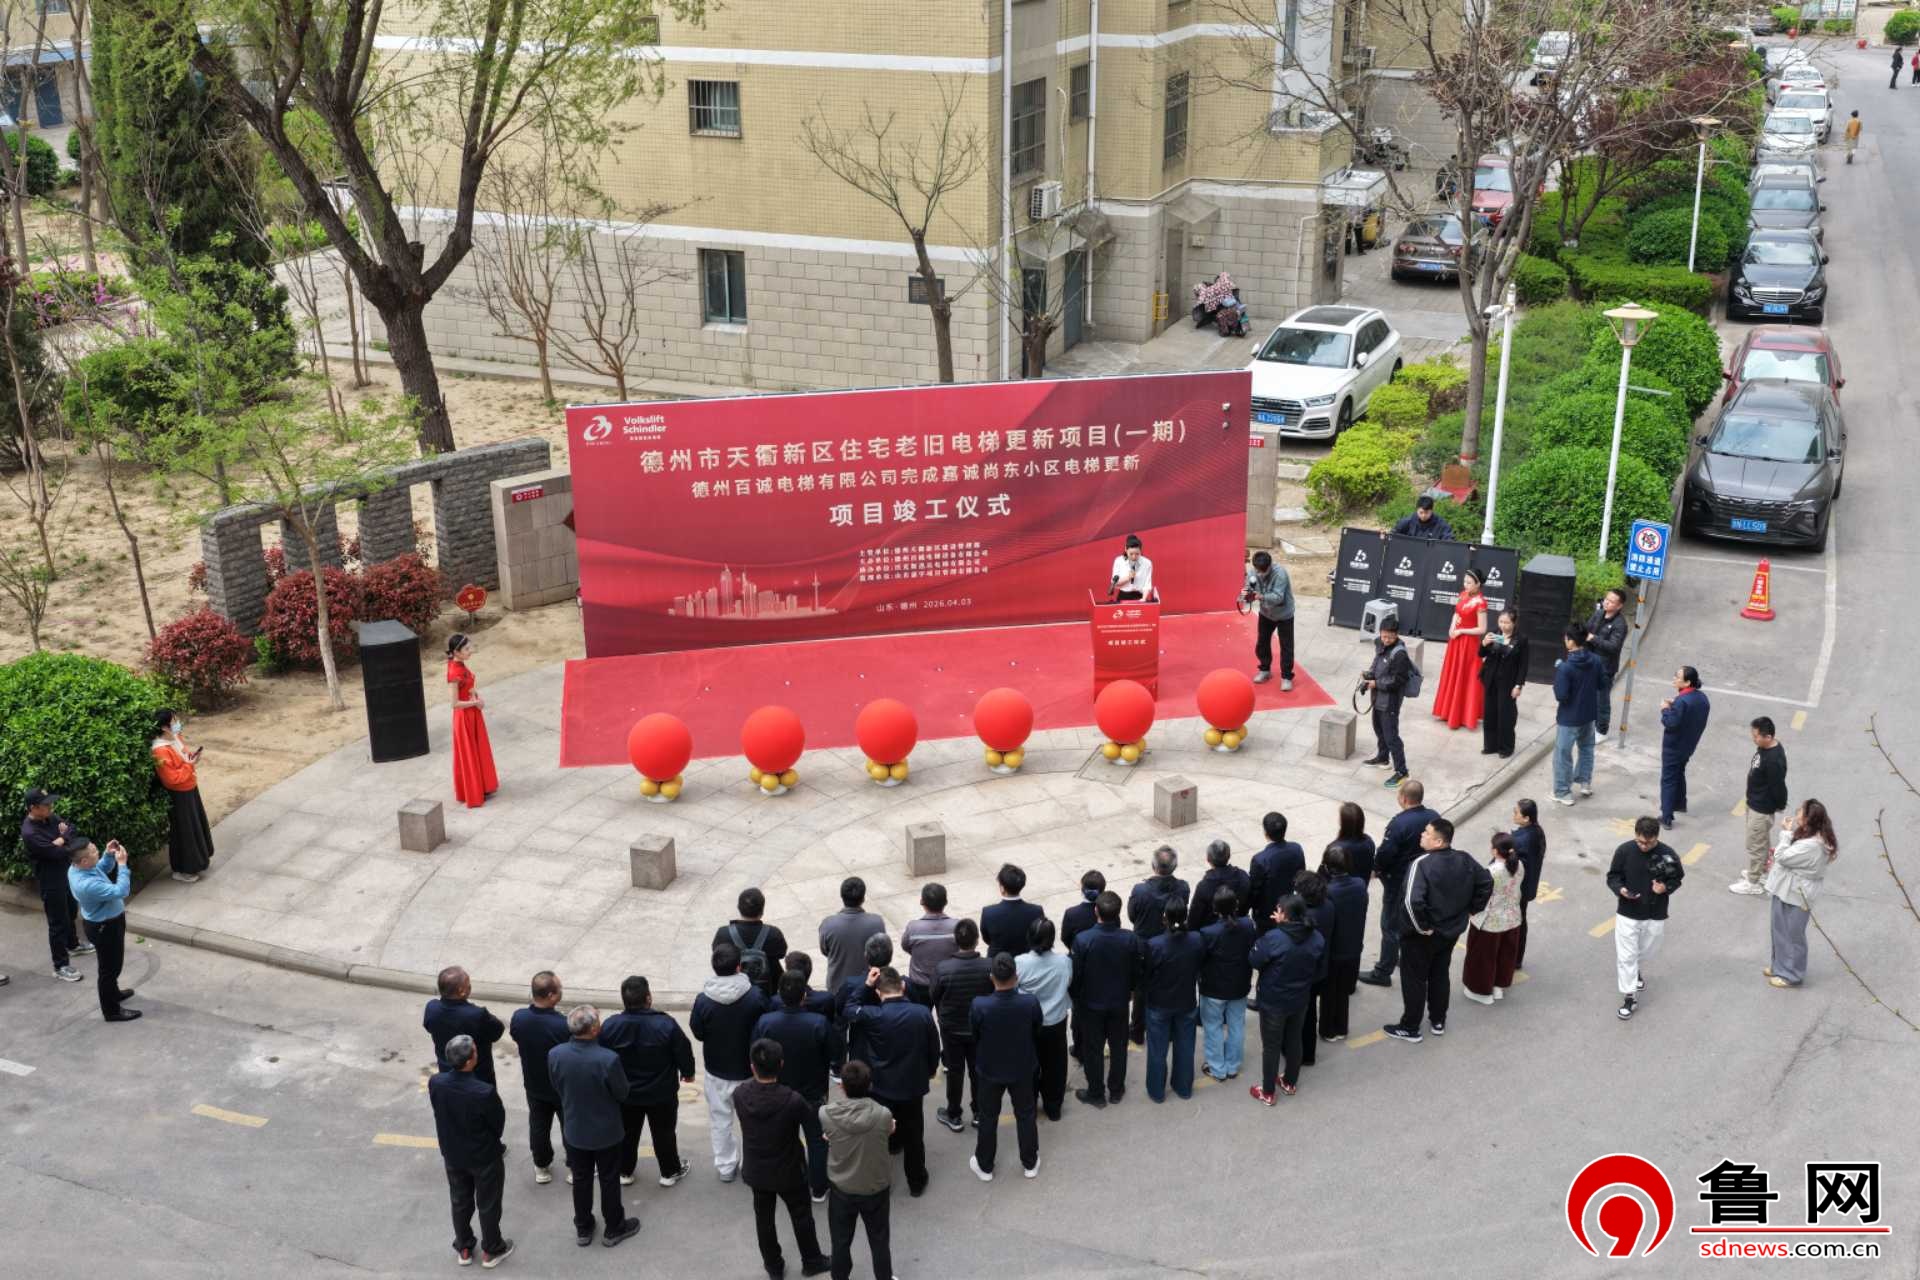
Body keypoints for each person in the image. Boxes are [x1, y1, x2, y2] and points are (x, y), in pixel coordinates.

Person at [1383, 818, 1492, 1043]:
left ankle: (1410, 1027)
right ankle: (1438, 1020)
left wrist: (1422, 927)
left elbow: (1412, 902)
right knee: (1440, 974)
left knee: (1414, 979)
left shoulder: (1421, 864)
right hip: (1450, 932)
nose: (1422, 835)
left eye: (1427, 833)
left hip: (1422, 936)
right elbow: (1486, 882)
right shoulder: (1464, 859)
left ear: (1439, 841)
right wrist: (1472, 910)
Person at [735, 1039, 832, 1278]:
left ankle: (774, 1266)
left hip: (757, 1169)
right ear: (781, 1064)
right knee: (801, 1216)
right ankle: (812, 1260)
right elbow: (812, 1125)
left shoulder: (740, 1094)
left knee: (764, 1219)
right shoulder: (793, 1100)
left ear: (752, 1066)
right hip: (789, 1169)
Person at [841, 965, 940, 1198]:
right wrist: (930, 1070)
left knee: (881, 1132)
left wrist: (866, 985)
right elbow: (933, 1047)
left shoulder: (873, 1015)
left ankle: (881, 1177)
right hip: (912, 1085)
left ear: (878, 993)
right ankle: (916, 1181)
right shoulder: (921, 1013)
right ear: (903, 986)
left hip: (882, 1085)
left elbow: (849, 1008)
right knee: (914, 1135)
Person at [546, 1005, 640, 1248]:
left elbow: (556, 1085)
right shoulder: (608, 1059)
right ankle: (614, 1227)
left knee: (581, 1178)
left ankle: (583, 1226)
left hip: (575, 1128)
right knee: (609, 1179)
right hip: (606, 1131)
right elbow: (622, 1093)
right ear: (595, 1029)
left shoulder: (556, 1054)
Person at [599, 976, 695, 1189]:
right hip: (661, 1092)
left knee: (626, 1133)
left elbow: (601, 1056)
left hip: (625, 1093)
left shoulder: (611, 1025)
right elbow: (683, 1050)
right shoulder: (666, 1024)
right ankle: (669, 1172)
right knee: (664, 1133)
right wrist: (688, 1073)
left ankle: (624, 1171)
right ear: (648, 998)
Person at [428, 1034, 513, 1269]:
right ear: (469, 1061)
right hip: (483, 1156)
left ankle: (464, 1246)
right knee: (488, 1203)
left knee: (460, 1200)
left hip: (453, 1153)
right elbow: (497, 1124)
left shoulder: (436, 1083)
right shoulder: (483, 1092)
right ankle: (492, 1248)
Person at [692, 942, 771, 1183]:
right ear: (739, 967)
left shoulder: (703, 1000)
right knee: (754, 1122)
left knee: (720, 1121)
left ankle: (726, 1167)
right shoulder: (755, 996)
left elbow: (698, 1032)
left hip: (717, 1071)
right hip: (749, 1070)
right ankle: (755, 1165)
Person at [755, 969, 836, 1202]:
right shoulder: (818, 1023)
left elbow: (755, 1052)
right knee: (817, 1140)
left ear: (780, 994)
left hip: (777, 1092)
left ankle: (787, 1180)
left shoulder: (766, 1022)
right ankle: (818, 1188)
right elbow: (836, 1054)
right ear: (804, 996)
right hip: (813, 1093)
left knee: (782, 1139)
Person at [968, 952, 1043, 1181]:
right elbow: (1037, 1028)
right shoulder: (1029, 1002)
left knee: (988, 1116)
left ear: (992, 977)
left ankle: (985, 1165)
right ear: (1016, 976)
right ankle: (1030, 1162)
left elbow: (975, 1034)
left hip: (990, 1069)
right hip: (1022, 1067)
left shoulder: (980, 1005)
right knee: (1026, 1114)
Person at [819, 1061, 895, 1280]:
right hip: (875, 1187)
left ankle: (840, 1276)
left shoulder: (826, 1114)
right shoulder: (883, 1114)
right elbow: (888, 1130)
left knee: (840, 1241)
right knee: (879, 1240)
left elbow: (829, 1135)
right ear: (869, 1085)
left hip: (842, 1189)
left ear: (842, 1086)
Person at [1360, 779, 1439, 986]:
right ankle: (1403, 957)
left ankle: (1383, 971)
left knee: (1390, 925)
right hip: (1423, 878)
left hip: (1398, 882)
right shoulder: (1433, 817)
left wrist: (1376, 869)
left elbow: (1386, 853)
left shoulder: (1399, 823)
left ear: (1404, 798)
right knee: (1411, 920)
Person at [1247, 894, 1325, 1103]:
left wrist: (1277, 929)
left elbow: (1254, 959)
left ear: (1285, 915)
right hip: (1300, 998)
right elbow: (1319, 968)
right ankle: (1290, 1081)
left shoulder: (1274, 938)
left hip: (1274, 1001)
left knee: (1271, 1046)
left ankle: (1268, 1092)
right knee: (1294, 1039)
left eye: (1279, 909)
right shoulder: (1316, 937)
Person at [1607, 817, 1685, 1020]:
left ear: (1656, 838)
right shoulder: (1624, 851)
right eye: (1640, 842)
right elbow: (1613, 876)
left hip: (1655, 913)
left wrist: (1665, 888)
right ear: (1635, 835)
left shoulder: (1668, 855)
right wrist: (1620, 889)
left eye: (1648, 843)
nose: (1643, 846)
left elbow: (1677, 878)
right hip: (1627, 912)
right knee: (1626, 956)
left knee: (1648, 950)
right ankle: (1630, 997)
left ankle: (1635, 971)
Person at [1069, 890, 1141, 1108]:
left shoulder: (1083, 940)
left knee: (1093, 1049)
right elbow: (1136, 972)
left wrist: (1077, 998)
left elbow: (1076, 976)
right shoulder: (1129, 939)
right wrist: (1130, 991)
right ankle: (1116, 1090)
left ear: (1096, 911)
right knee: (1118, 1048)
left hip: (1091, 1005)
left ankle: (1096, 1093)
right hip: (1119, 1003)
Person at [1765, 800, 1837, 989]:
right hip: (1787, 889)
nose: (1797, 814)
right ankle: (1779, 966)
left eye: (1800, 812)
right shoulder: (1811, 834)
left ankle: (1791, 974)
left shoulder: (1813, 845)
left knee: (1792, 935)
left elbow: (1782, 856)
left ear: (1808, 819)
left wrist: (1785, 835)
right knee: (1779, 930)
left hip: (1797, 894)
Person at [929, 918, 993, 1133]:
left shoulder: (943, 968)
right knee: (977, 1071)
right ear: (977, 939)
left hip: (952, 1029)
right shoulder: (989, 966)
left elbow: (934, 994)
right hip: (978, 1028)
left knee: (955, 1072)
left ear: (956, 941)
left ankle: (954, 1114)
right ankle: (979, 1112)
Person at [20, 789, 90, 983]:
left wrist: (61, 839)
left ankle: (73, 945)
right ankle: (60, 966)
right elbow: (56, 853)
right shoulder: (30, 832)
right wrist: (63, 839)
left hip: (65, 874)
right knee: (57, 922)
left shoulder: (49, 817)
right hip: (50, 880)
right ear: (33, 808)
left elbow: (71, 829)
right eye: (46, 804)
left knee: (71, 910)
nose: (51, 807)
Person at [508, 971, 571, 1184]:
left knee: (538, 1125)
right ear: (551, 995)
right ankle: (574, 1165)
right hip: (561, 1086)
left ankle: (541, 1166)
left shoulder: (519, 1018)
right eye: (559, 989)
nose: (561, 991)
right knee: (569, 1125)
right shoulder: (563, 1025)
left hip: (534, 1084)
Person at [66, 838, 138, 1022]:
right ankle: (111, 1011)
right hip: (105, 927)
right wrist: (122, 865)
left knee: (113, 965)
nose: (96, 851)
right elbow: (121, 890)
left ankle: (114, 993)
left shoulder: (77, 867)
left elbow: (101, 868)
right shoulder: (86, 885)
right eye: (93, 851)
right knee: (109, 970)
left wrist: (108, 855)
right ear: (84, 861)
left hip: (108, 922)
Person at [1141, 899, 1205, 1102]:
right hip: (1186, 1001)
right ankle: (1183, 1088)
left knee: (1157, 1051)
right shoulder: (1196, 940)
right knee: (1185, 1047)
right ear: (1185, 916)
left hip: (1159, 1004)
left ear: (1164, 918)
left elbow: (1146, 974)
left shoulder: (1154, 945)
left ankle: (1156, 1091)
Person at [1127, 846, 1190, 1042]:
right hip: (1171, 943)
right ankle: (1168, 1030)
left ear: (1153, 866)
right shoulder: (1182, 888)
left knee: (1141, 990)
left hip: (1145, 946)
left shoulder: (1140, 890)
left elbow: (1132, 915)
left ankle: (1137, 1031)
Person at [1015, 917, 1072, 1120]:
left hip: (1029, 1023)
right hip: (1056, 1022)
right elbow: (1068, 983)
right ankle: (1053, 1106)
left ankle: (1029, 1104)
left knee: (1029, 1065)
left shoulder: (1020, 963)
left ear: (1029, 937)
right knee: (1055, 1066)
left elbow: (1013, 989)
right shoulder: (1064, 962)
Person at [1197, 888, 1256, 1079]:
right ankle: (1232, 1065)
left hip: (1213, 989)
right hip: (1239, 986)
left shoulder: (1208, 933)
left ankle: (1217, 1068)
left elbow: (1201, 959)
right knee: (1236, 1025)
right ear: (1236, 905)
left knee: (1213, 1027)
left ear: (1215, 909)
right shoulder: (1248, 925)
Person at [151, 709, 213, 883]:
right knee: (184, 831)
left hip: (190, 787)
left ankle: (198, 861)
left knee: (194, 826)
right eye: (174, 721)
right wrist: (189, 765)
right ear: (164, 727)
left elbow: (184, 757)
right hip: (179, 794)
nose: (177, 723)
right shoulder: (159, 750)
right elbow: (171, 779)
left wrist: (191, 758)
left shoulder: (175, 737)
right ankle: (183, 869)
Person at [1461, 833, 1524, 1005]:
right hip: (1512, 918)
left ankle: (1481, 992)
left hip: (1490, 921)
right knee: (1504, 955)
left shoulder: (1491, 872)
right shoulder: (1519, 865)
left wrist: (1470, 911)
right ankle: (1498, 987)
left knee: (1482, 957)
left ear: (1495, 851)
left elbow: (1480, 896)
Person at [1733, 717, 1789, 897]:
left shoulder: (1773, 760)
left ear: (1768, 737)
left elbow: (1778, 786)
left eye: (1756, 736)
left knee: (1755, 844)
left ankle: (1753, 882)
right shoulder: (1765, 748)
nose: (1753, 738)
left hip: (1761, 808)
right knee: (1761, 841)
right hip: (1754, 802)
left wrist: (1779, 804)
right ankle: (1763, 872)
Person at [1317, 846, 1367, 1041]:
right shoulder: (1359, 884)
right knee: (1343, 992)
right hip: (1353, 946)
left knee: (1330, 992)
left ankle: (1328, 1030)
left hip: (1334, 949)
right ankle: (1341, 1027)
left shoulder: (1329, 891)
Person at [1551, 624, 1604, 807]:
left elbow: (1561, 695)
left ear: (1571, 642)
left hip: (1569, 718)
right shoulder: (1596, 660)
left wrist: (1559, 674)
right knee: (1587, 748)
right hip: (1589, 714)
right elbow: (1602, 684)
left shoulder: (1565, 668)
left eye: (1566, 638)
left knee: (1563, 754)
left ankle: (1563, 792)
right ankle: (1584, 782)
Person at [425, 966, 506, 1085]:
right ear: (461, 991)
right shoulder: (477, 1015)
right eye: (469, 985)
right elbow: (497, 1031)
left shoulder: (432, 1008)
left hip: (446, 1072)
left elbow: (428, 1026)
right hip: (477, 1078)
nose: (470, 987)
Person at [1431, 568, 1488, 731]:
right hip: (1455, 641)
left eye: (1469, 582)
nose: (1466, 585)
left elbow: (1482, 629)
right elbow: (1456, 614)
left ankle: (1463, 715)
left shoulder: (1481, 602)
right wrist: (1451, 628)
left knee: (1466, 676)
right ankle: (1448, 711)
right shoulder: (1463, 594)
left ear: (1478, 584)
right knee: (1453, 674)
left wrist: (1461, 630)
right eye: (1465, 581)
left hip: (1469, 644)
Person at [446, 632, 498, 809]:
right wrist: (475, 702)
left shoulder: (460, 665)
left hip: (472, 712)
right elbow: (454, 704)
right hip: (464, 717)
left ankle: (481, 785)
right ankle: (474, 791)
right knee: (469, 753)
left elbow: (469, 687)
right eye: (467, 649)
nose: (471, 651)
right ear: (456, 652)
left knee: (476, 749)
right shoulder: (454, 672)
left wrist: (476, 696)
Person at [1363, 616, 1416, 786]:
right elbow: (1377, 662)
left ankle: (1402, 772)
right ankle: (1383, 758)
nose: (1385, 640)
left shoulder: (1400, 654)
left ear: (1396, 635)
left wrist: (1377, 683)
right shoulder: (1380, 643)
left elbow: (1398, 681)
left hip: (1390, 702)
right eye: (1383, 636)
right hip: (1378, 697)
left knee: (1391, 736)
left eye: (1390, 637)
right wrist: (1369, 675)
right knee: (1378, 728)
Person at [1658, 667, 1711, 829]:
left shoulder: (1682, 702)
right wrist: (1675, 705)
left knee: (1668, 779)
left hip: (1674, 747)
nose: (1674, 679)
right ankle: (1679, 803)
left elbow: (1670, 723)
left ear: (1687, 682)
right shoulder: (1701, 698)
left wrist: (1665, 709)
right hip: (1689, 745)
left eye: (1677, 677)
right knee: (1679, 772)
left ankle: (1666, 816)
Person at [714, 887, 789, 998]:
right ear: (762, 911)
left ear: (738, 908)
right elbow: (781, 953)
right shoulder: (773, 933)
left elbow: (717, 957)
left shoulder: (723, 933)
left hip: (735, 990)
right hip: (768, 988)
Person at [1293, 871, 1335, 1066]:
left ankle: (1300, 1053)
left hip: (1304, 974)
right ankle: (1308, 1053)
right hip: (1321, 969)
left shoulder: (1303, 917)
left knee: (1302, 1015)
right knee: (1310, 1012)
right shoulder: (1328, 906)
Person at [819, 877, 886, 995]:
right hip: (869, 986)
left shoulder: (828, 925)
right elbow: (882, 953)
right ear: (863, 898)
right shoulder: (877, 922)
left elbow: (825, 951)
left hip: (838, 987)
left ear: (842, 897)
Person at [1479, 609, 1529, 758]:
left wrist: (1518, 685)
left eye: (1507, 622)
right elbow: (1481, 653)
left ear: (1514, 623)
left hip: (1508, 682)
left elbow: (1523, 665)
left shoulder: (1521, 639)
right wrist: (1484, 643)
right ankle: (1490, 746)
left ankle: (1506, 748)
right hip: (1491, 678)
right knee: (1490, 713)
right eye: (1501, 621)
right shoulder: (1494, 633)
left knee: (1506, 715)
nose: (1503, 625)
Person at [899, 883, 958, 1006]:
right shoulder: (956, 926)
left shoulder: (913, 927)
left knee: (922, 1014)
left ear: (922, 902)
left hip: (920, 983)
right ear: (946, 902)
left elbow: (906, 946)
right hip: (947, 982)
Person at [1245, 549, 1296, 689]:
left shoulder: (1280, 574)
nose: (1259, 574)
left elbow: (1278, 597)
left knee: (1286, 646)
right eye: (1258, 570)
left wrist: (1260, 596)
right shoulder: (1253, 572)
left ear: (1270, 565)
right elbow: (1248, 587)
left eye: (1263, 571)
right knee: (1262, 643)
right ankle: (1265, 670)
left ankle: (1286, 677)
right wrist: (1244, 596)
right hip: (1266, 614)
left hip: (1284, 614)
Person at [1247, 813, 1305, 934]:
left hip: (1267, 914)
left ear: (1265, 833)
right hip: (1290, 906)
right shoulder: (1296, 849)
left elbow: (1254, 891)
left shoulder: (1260, 860)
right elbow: (1301, 876)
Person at [1584, 589, 1629, 740]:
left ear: (1619, 606)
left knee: (1601, 700)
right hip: (1589, 662)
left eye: (1611, 601)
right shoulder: (1598, 614)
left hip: (1605, 668)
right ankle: (1589, 724)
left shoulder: (1620, 624)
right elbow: (1586, 630)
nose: (1606, 603)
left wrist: (1593, 638)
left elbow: (1613, 647)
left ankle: (1601, 731)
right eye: (1606, 599)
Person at [1510, 800, 1547, 971]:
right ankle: (1516, 958)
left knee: (1516, 923)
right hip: (1527, 887)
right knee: (1521, 920)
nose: (1514, 814)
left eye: (1516, 812)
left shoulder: (1522, 840)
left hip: (1518, 889)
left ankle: (1514, 959)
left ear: (1526, 818)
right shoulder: (1537, 831)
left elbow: (1515, 866)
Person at [980, 863, 1045, 956]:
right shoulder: (1036, 911)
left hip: (997, 961)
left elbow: (987, 939)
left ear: (1002, 888)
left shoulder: (988, 913)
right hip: (1027, 959)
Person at [1188, 838, 1250, 931]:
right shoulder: (1242, 876)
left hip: (1212, 931)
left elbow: (1194, 918)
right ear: (1229, 856)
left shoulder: (1203, 887)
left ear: (1208, 859)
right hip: (1240, 924)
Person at [1328, 801, 1376, 883]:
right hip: (1361, 886)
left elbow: (1325, 876)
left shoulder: (1335, 849)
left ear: (1342, 823)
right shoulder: (1369, 842)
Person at [1110, 532, 1153, 601]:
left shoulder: (1147, 563)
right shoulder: (1119, 561)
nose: (1134, 557)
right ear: (1126, 549)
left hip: (1140, 596)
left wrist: (1143, 599)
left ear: (1140, 550)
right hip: (1123, 596)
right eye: (1131, 554)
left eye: (1137, 554)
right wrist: (1128, 578)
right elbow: (1114, 583)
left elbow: (1147, 584)